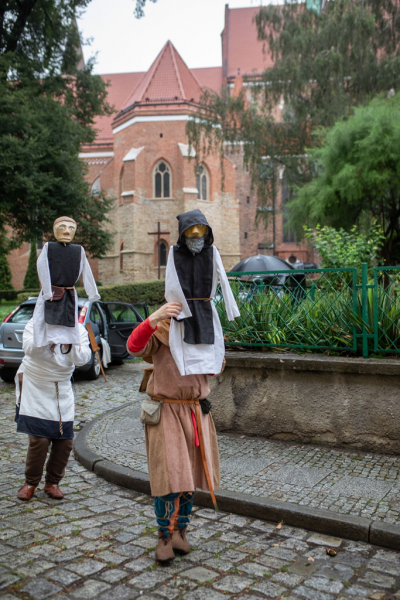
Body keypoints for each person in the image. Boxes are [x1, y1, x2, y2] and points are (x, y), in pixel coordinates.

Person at [127, 304, 221, 562]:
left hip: (196, 411)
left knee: (190, 477)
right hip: (167, 411)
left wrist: (203, 346)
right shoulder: (162, 327)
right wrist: (153, 319)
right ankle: (164, 537)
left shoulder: (206, 326)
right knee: (169, 477)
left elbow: (216, 368)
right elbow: (133, 348)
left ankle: (181, 532)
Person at [15, 318, 92, 500]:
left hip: (61, 388)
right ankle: (31, 483)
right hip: (36, 386)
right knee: (39, 440)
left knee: (64, 442)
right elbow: (29, 349)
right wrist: (50, 335)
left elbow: (83, 358)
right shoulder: (34, 324)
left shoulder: (77, 328)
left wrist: (68, 341)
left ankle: (52, 482)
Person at [165, 208, 240, 376]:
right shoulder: (173, 252)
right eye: (191, 227)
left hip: (206, 307)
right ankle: (185, 371)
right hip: (183, 310)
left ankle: (209, 369)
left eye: (200, 226)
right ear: (183, 231)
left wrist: (231, 310)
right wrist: (180, 310)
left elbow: (225, 282)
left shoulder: (212, 252)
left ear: (207, 230)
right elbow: (171, 283)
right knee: (183, 344)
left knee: (210, 345)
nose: (196, 232)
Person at [33, 216, 100, 348]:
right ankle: (47, 346)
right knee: (44, 321)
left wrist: (92, 293)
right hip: (51, 293)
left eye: (71, 228)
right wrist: (47, 292)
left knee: (68, 324)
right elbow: (42, 267)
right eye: (62, 227)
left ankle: (65, 346)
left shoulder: (79, 250)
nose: (67, 232)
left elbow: (86, 271)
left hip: (70, 294)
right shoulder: (49, 247)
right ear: (54, 230)